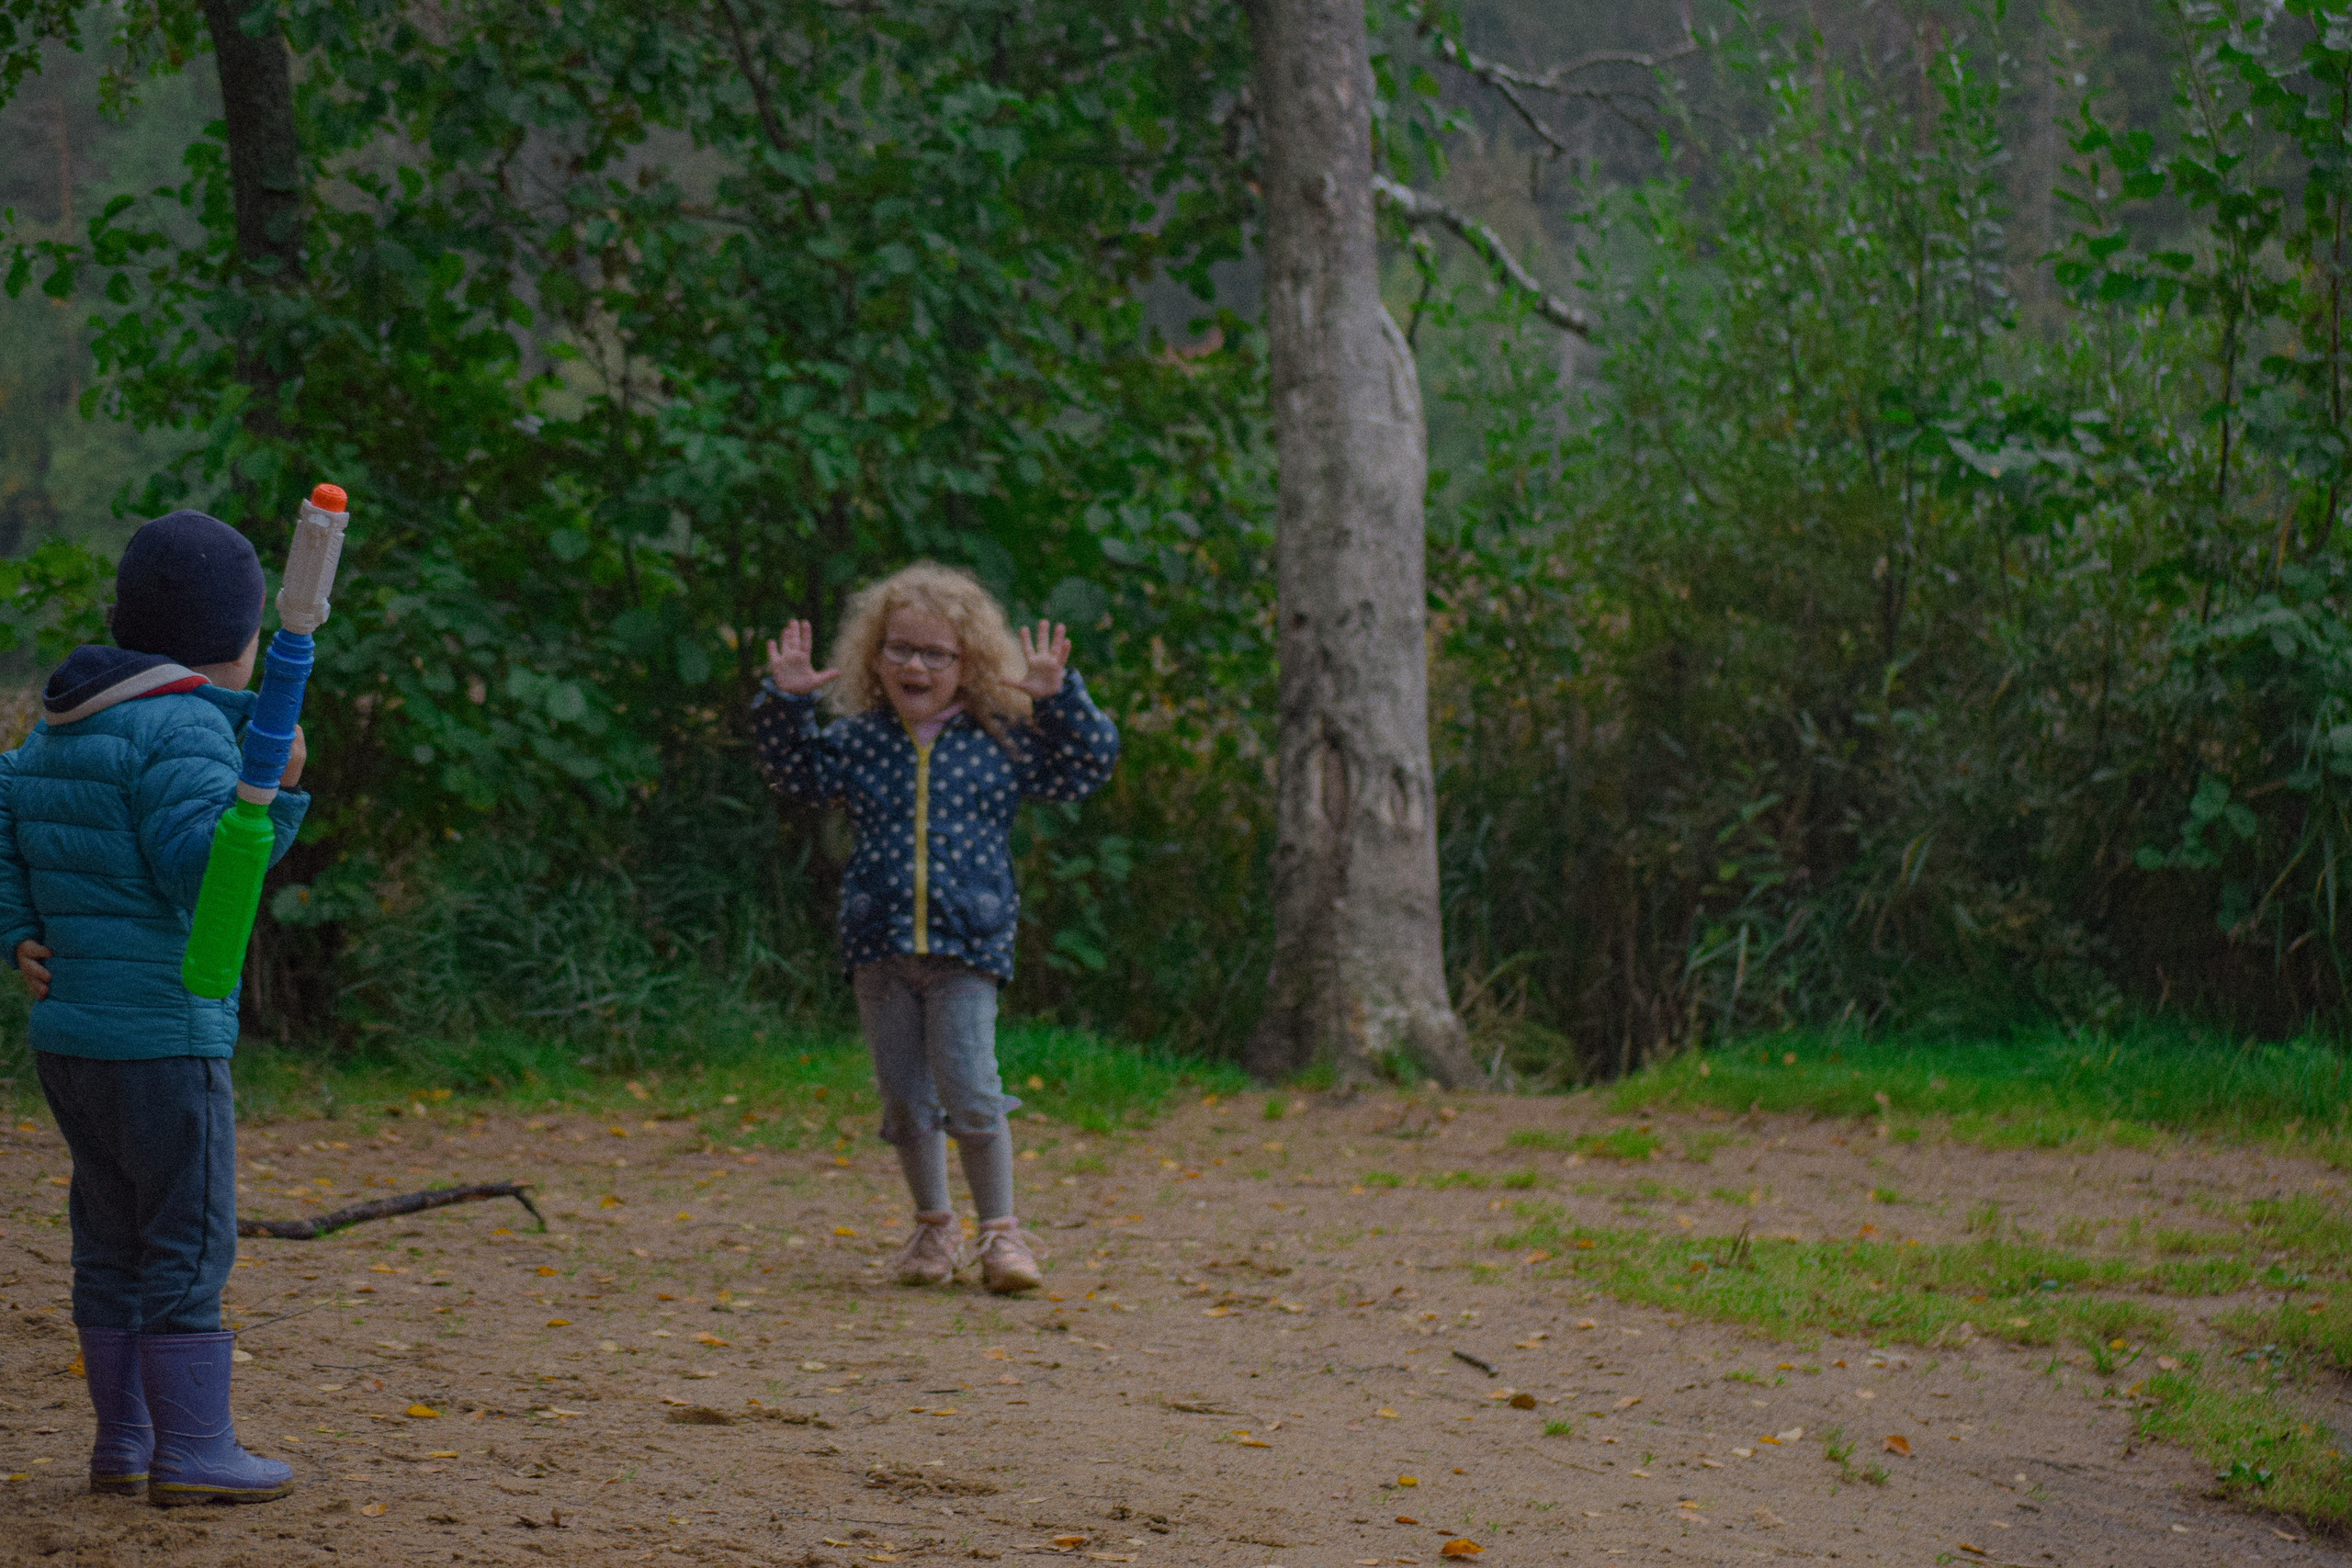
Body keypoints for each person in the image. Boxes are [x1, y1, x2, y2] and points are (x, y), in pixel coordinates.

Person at [0, 510, 309, 1506]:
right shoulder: (181, 725)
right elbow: (199, 878)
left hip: (74, 1040)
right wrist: (275, 791)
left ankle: (123, 1442)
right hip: (164, 1037)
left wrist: (15, 933)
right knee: (187, 1236)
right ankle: (193, 1448)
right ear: (238, 639)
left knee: (111, 1234)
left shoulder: (61, 719)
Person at [755, 562, 1119, 1292]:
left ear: (969, 663)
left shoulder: (1001, 741)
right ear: (874, 656)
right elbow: (794, 775)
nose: (914, 664)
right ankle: (932, 1228)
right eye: (898, 649)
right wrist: (784, 702)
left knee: (972, 1088)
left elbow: (1087, 765)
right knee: (904, 1098)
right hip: (878, 944)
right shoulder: (860, 740)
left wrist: (1060, 699)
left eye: (935, 653)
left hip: (967, 944)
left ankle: (1003, 1236)